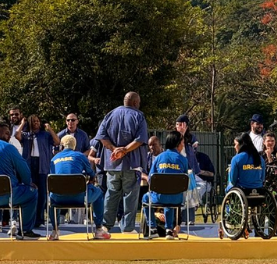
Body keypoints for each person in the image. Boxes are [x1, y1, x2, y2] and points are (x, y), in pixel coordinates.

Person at [94, 91, 148, 234]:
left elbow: (101, 137)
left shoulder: (110, 114)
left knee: (111, 194)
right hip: (132, 163)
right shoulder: (139, 116)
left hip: (112, 164)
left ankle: (105, 226)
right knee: (130, 196)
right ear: (136, 102)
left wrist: (114, 149)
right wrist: (124, 150)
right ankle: (128, 228)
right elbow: (140, 139)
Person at [48, 134, 110, 240]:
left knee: (52, 197)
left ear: (62, 146)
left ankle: (55, 230)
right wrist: (90, 180)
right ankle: (99, 229)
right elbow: (91, 173)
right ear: (74, 146)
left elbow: (53, 179)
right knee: (98, 192)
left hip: (58, 199)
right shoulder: (80, 156)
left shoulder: (53, 159)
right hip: (80, 197)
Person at [141, 131, 188, 240]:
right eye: (182, 142)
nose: (183, 145)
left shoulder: (158, 158)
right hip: (177, 198)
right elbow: (185, 179)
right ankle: (169, 230)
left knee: (145, 198)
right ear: (177, 144)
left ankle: (152, 228)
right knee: (170, 196)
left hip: (159, 197)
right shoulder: (183, 160)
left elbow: (150, 179)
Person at [16, 114, 60, 228]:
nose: (36, 123)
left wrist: (49, 129)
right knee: (30, 190)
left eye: (37, 121)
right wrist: (22, 124)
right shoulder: (26, 135)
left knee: (42, 194)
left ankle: (39, 219)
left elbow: (57, 141)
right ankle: (28, 218)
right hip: (30, 164)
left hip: (42, 165)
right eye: (34, 121)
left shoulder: (44, 135)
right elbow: (17, 135)